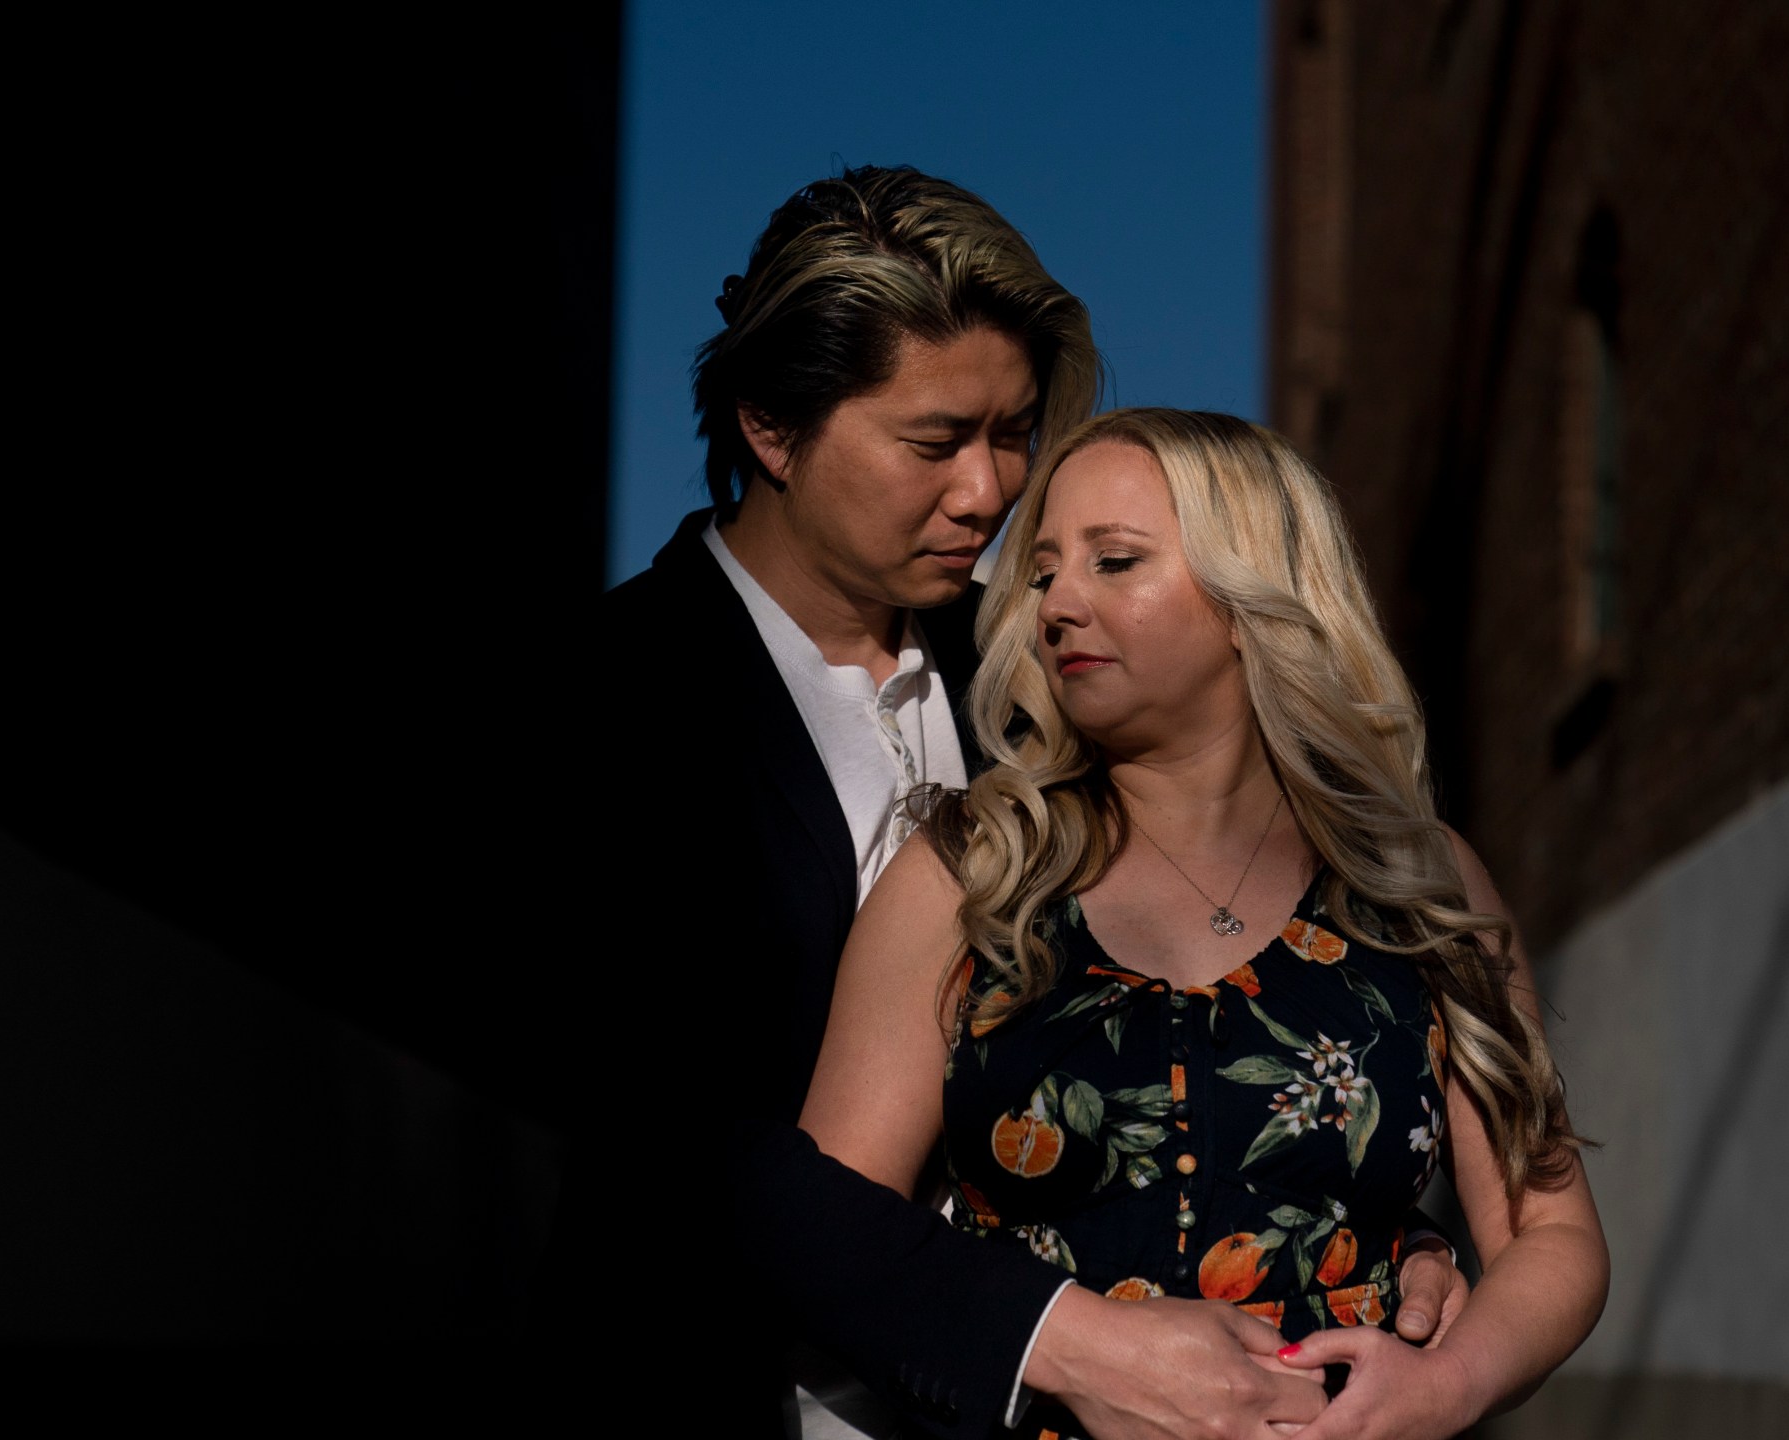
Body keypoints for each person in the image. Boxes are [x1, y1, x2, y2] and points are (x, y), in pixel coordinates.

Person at [557, 169, 1466, 1440]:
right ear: (770, 427)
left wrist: (1372, 1208)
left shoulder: (1052, 675)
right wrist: (1073, 1345)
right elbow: (668, 1145)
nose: (990, 492)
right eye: (936, 441)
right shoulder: (602, 708)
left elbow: (1182, 1002)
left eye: (1014, 432)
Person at [797, 408, 1609, 1439]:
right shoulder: (969, 874)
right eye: (1045, 572)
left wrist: (1450, 1384)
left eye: (1116, 560)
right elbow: (827, 1236)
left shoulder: (1416, 878)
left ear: (1248, 599)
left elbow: (1553, 1229)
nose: (1056, 605)